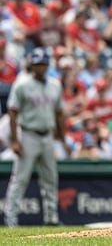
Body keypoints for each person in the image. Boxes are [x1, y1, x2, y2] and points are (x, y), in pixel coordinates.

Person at [4, 48, 69, 227]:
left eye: (43, 64)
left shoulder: (55, 84)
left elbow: (59, 112)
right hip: (28, 134)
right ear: (31, 65)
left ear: (48, 65)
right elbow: (12, 112)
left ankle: (51, 218)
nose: (40, 67)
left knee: (50, 178)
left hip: (47, 135)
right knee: (20, 178)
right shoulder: (22, 84)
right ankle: (11, 219)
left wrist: (63, 139)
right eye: (37, 64)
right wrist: (15, 140)